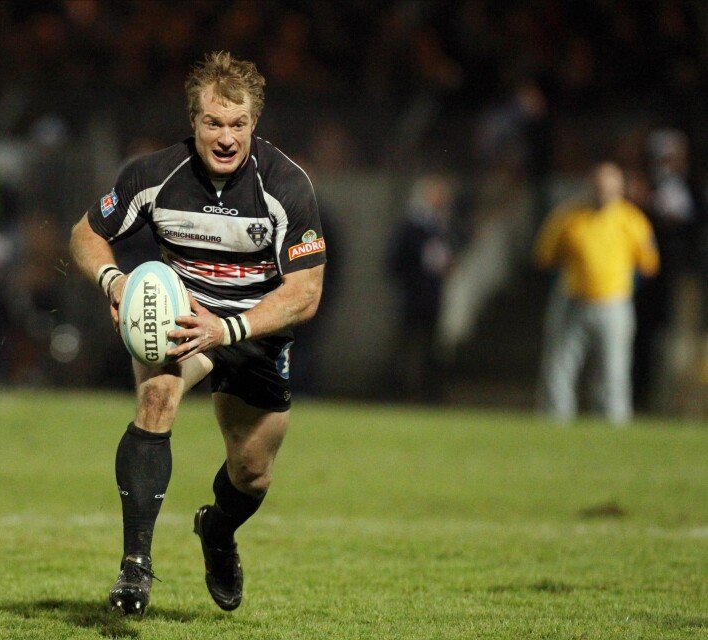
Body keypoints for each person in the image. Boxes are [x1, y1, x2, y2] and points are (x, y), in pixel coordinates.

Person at [69, 51, 325, 615]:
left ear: (254, 123)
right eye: (213, 122)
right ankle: (135, 566)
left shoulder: (286, 185)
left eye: (238, 124)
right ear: (193, 121)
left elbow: (306, 292)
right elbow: (85, 233)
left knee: (251, 474)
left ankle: (217, 530)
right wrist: (115, 281)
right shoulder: (154, 175)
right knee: (156, 398)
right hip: (183, 320)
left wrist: (227, 328)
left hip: (253, 331)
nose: (226, 137)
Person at [533, 162, 659, 425]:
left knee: (614, 368)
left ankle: (613, 422)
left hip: (614, 302)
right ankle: (555, 421)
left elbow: (648, 263)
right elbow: (544, 256)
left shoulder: (632, 220)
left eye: (610, 188)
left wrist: (625, 285)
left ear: (620, 189)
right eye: (599, 187)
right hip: (573, 299)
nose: (604, 193)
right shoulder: (568, 216)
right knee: (560, 366)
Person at [387, 175, 454, 403]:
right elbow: (394, 263)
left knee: (430, 348)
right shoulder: (411, 226)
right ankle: (400, 390)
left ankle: (427, 393)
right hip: (413, 296)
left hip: (432, 298)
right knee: (407, 345)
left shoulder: (440, 226)